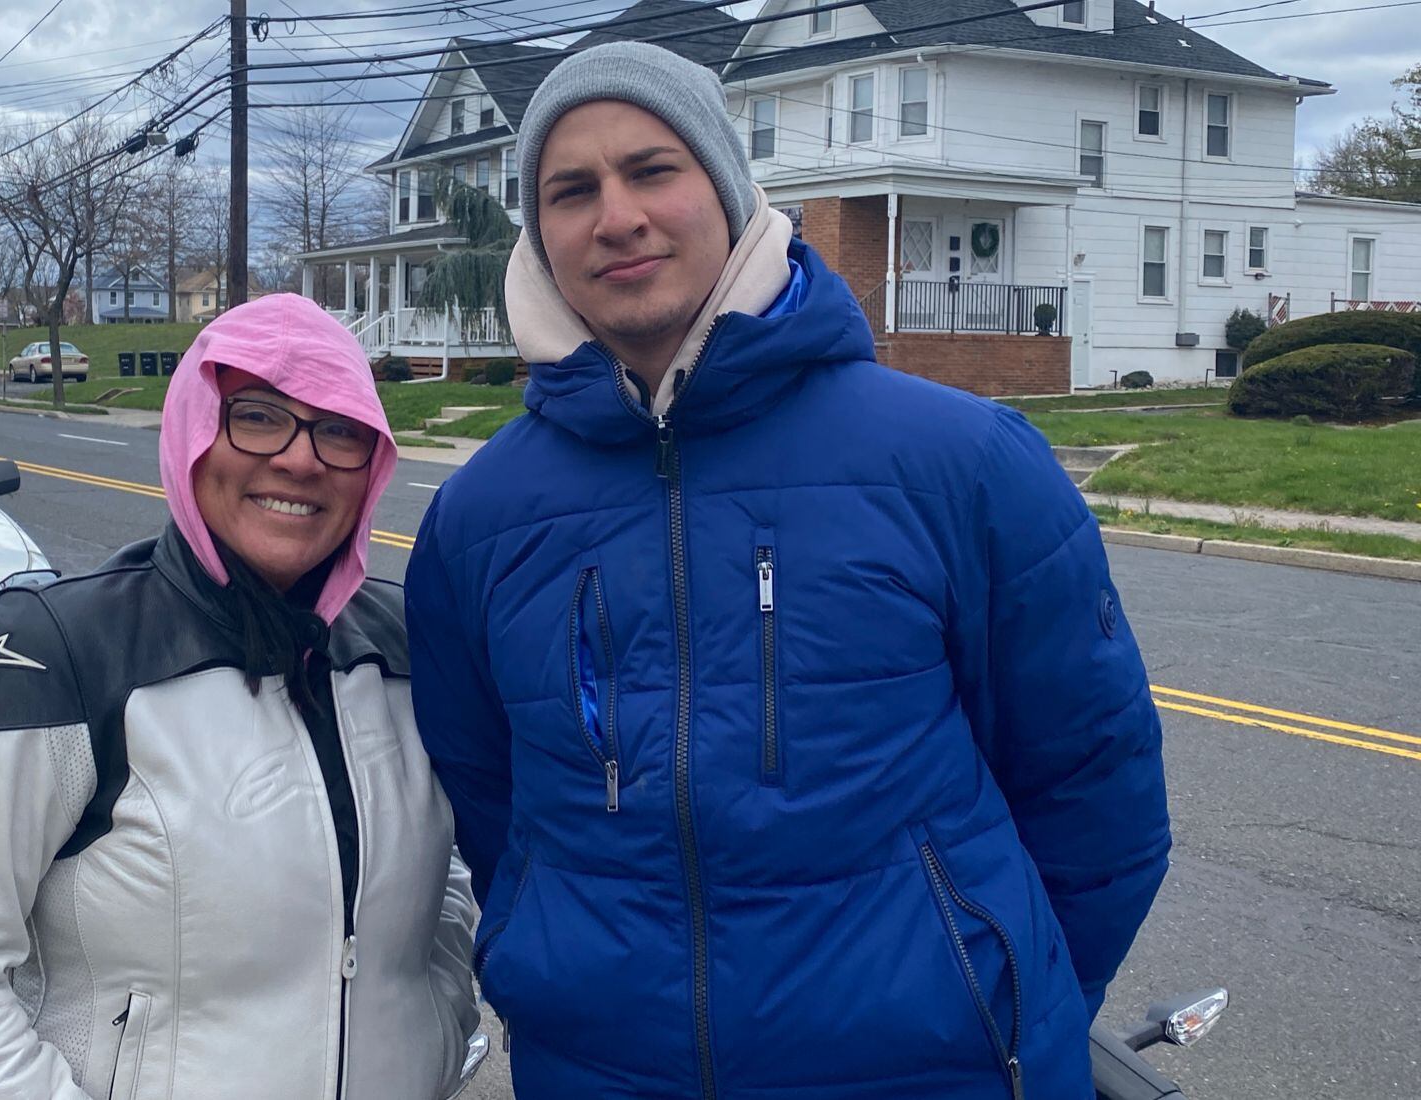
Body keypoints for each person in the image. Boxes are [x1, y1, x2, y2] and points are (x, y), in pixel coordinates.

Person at [405, 42, 1170, 1100]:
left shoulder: (963, 461)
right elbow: (491, 802)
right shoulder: (479, 517)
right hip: (603, 1071)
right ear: (539, 233)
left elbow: (1094, 784)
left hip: (933, 1071)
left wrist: (1018, 1003)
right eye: (571, 190)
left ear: (727, 189)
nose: (616, 216)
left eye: (652, 169)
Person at [0, 293, 480, 1100]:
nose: (301, 460)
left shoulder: (405, 647)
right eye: (256, 417)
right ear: (192, 432)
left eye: (340, 429)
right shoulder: (64, 652)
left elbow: (449, 877)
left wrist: (438, 1016)